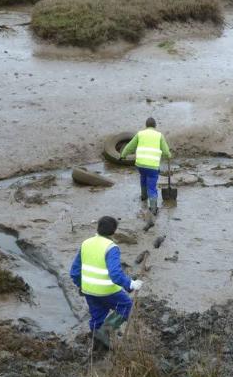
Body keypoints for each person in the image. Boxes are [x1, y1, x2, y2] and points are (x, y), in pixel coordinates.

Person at [69, 216, 144, 348]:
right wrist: (130, 284)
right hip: (106, 291)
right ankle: (105, 331)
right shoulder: (111, 248)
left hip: (88, 291)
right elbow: (115, 274)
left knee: (97, 318)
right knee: (127, 307)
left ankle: (97, 347)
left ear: (97, 228)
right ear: (113, 232)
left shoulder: (86, 243)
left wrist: (81, 286)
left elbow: (74, 272)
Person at [120, 117, 172, 215]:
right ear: (155, 126)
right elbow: (165, 151)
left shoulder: (140, 134)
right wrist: (169, 156)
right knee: (152, 187)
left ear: (146, 125)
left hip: (140, 165)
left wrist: (122, 155)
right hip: (152, 166)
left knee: (143, 178)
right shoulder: (159, 135)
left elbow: (130, 146)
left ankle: (144, 197)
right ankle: (153, 209)